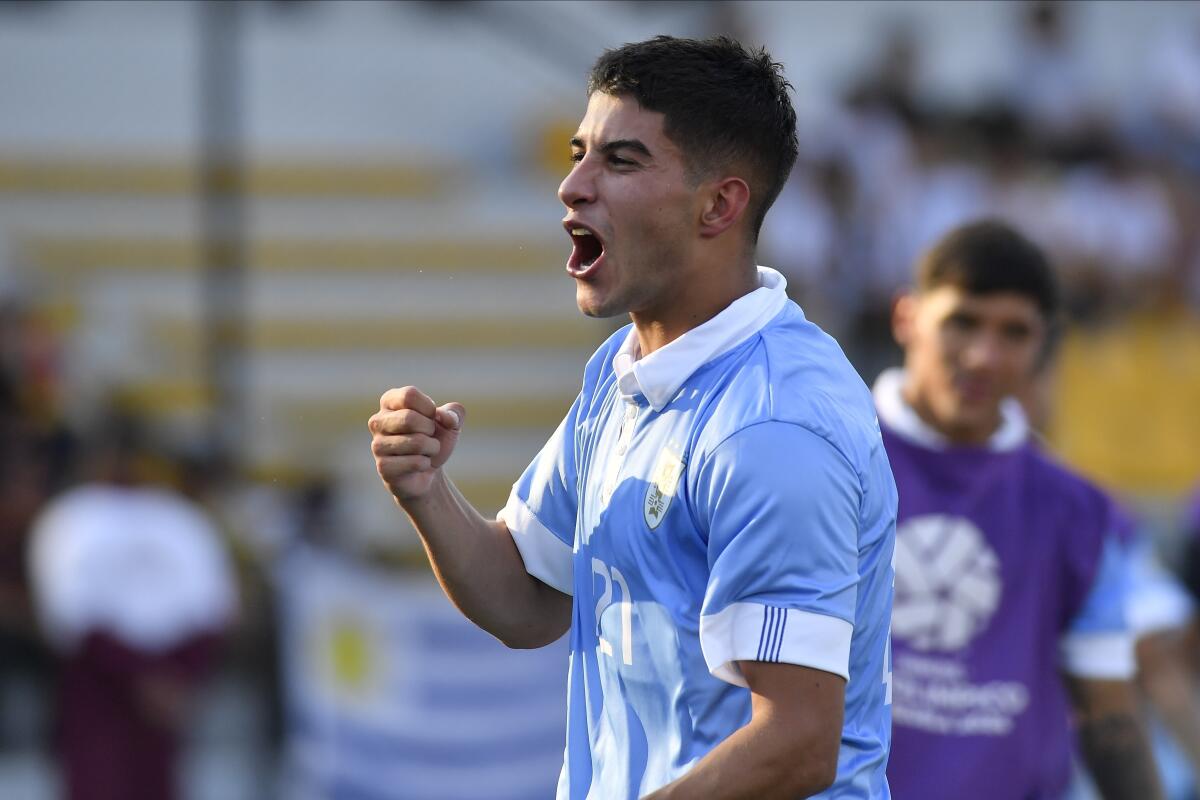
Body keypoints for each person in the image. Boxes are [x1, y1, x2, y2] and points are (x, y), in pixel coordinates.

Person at [370, 35, 896, 799]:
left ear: (719, 203)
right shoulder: (625, 371)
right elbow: (526, 599)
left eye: (620, 161)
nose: (572, 185)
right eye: (580, 152)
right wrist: (425, 492)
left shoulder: (776, 428)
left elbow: (798, 743)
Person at [875, 219, 1162, 799]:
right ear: (907, 317)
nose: (983, 356)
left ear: (1043, 344)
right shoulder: (821, 461)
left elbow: (1110, 721)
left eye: (1014, 332)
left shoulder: (1076, 510)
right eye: (962, 322)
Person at [28, 418, 237, 800]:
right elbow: (71, 617)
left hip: (167, 689)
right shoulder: (72, 516)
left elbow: (211, 610)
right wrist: (144, 678)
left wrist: (179, 678)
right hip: (98, 690)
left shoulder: (180, 519)